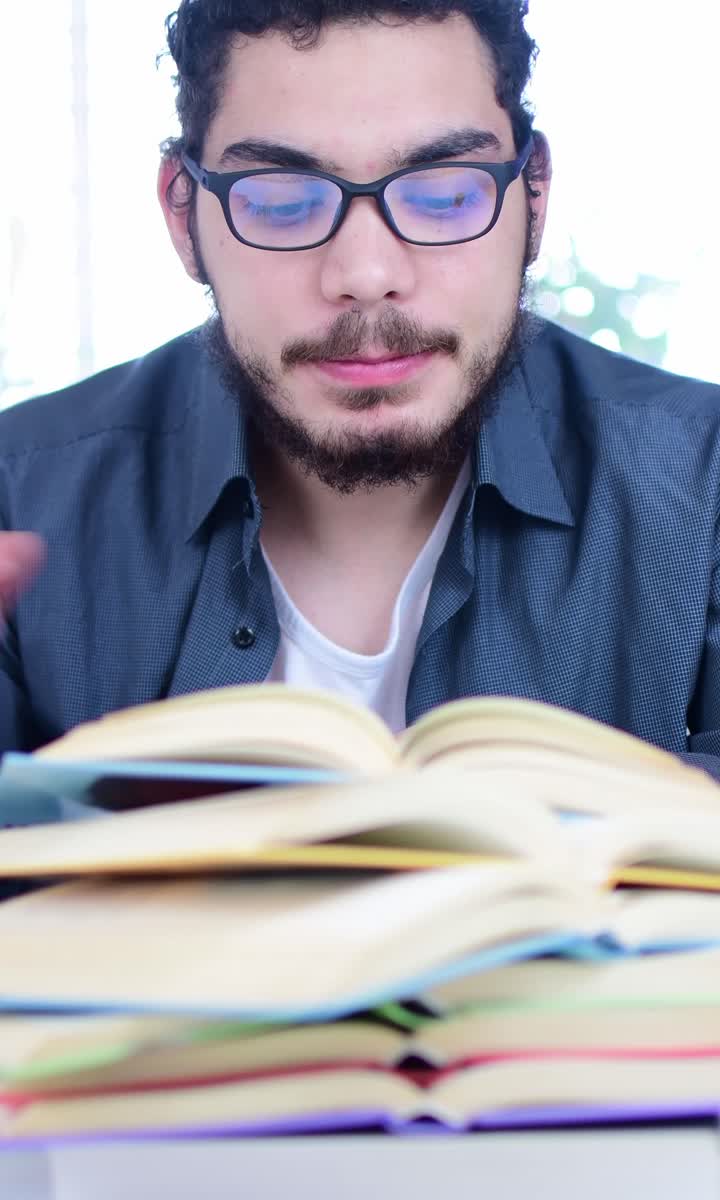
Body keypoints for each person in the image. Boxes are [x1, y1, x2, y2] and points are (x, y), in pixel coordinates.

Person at [0, 0, 719, 779]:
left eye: (446, 193)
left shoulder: (704, 491)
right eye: (279, 200)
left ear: (533, 196)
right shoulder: (20, 495)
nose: (368, 276)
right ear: (184, 215)